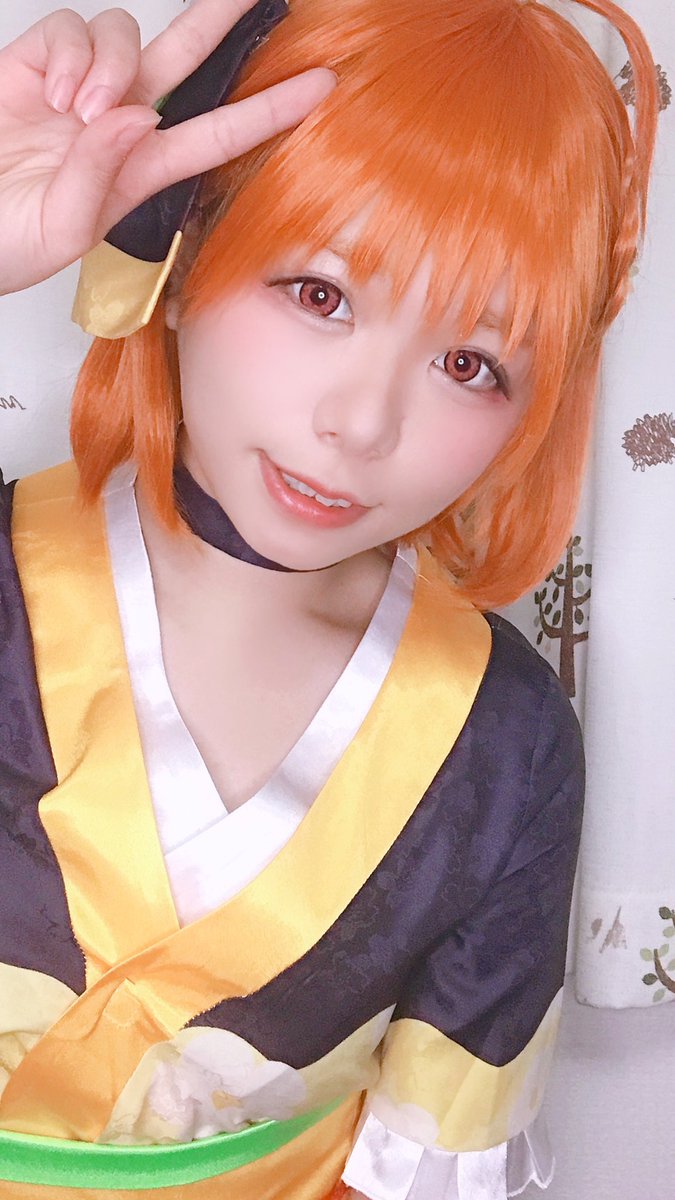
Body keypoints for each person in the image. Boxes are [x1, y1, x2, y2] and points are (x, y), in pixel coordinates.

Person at [0, 0, 658, 1197]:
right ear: (178, 250)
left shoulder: (505, 748)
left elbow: (436, 1162)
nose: (362, 423)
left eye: (469, 364)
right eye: (319, 293)